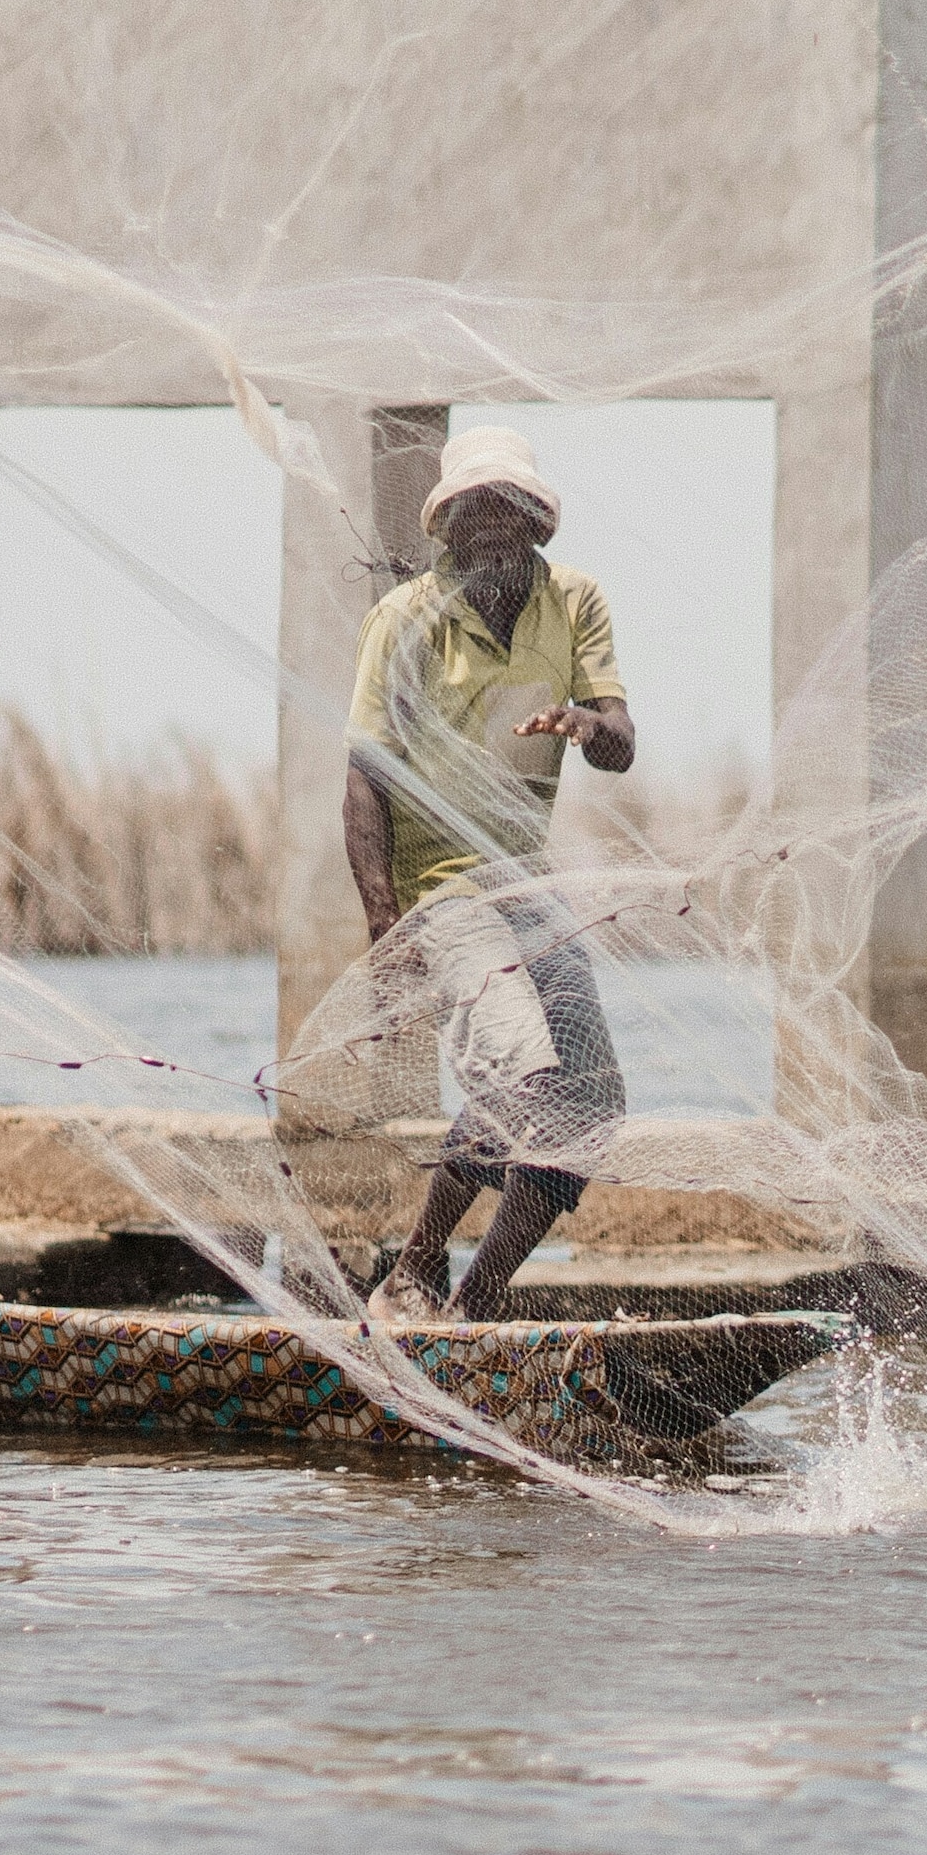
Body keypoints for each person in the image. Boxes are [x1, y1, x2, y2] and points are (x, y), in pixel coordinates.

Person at [341, 425, 636, 1321]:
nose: (493, 532)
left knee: (590, 1104)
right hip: (442, 892)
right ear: (450, 531)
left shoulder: (575, 602)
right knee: (524, 1086)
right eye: (474, 516)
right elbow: (364, 781)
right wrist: (384, 921)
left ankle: (475, 1305)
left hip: (529, 886)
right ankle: (415, 1270)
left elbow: (622, 744)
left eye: (511, 513)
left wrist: (587, 725)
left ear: (538, 525)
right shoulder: (404, 622)